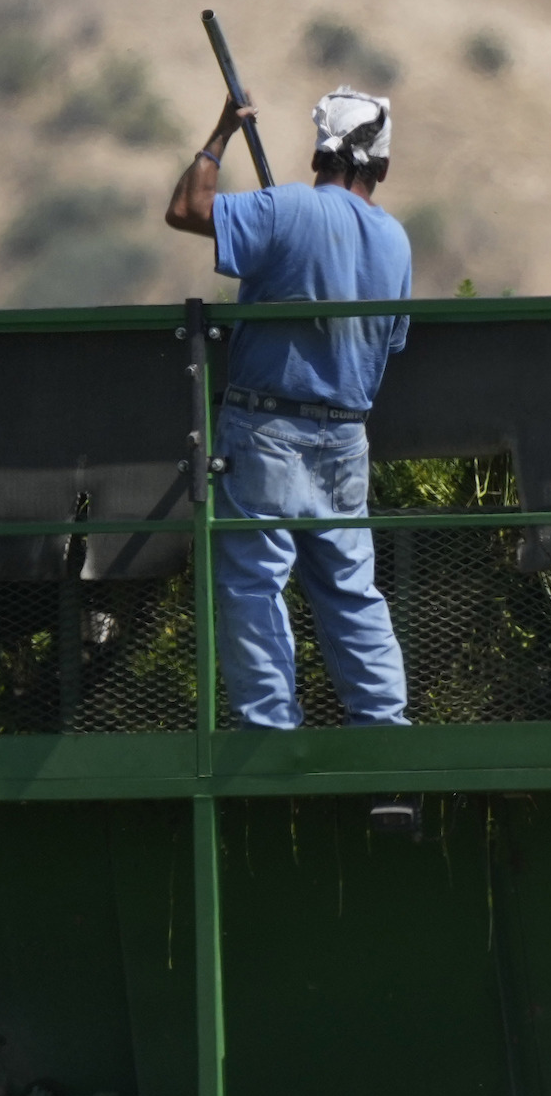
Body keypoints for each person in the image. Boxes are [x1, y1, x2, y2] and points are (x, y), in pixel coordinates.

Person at [163, 84, 414, 729]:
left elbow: (189, 208)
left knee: (253, 585)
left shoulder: (288, 209)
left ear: (318, 156)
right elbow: (394, 342)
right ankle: (387, 740)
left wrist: (219, 134)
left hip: (267, 427)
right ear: (380, 167)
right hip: (347, 436)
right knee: (351, 592)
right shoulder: (396, 242)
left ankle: (270, 739)